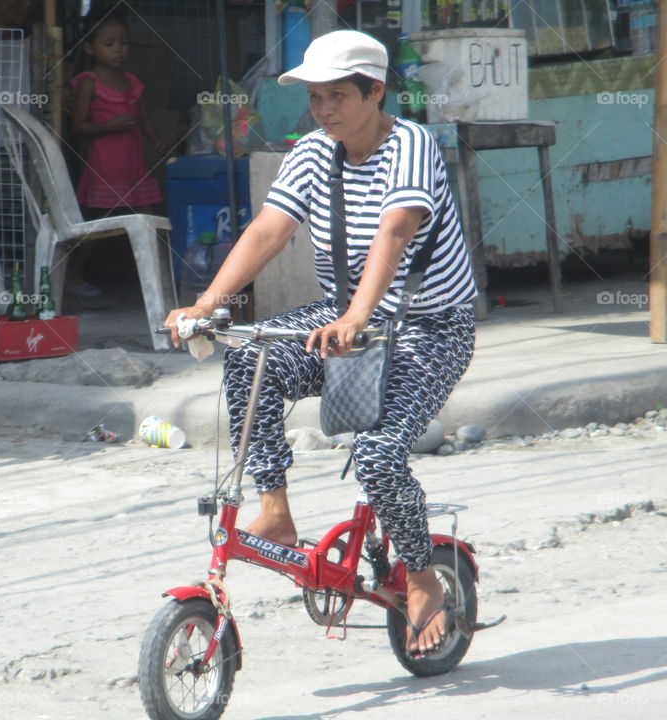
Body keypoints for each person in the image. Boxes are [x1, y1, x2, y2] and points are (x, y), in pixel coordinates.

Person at [165, 30, 477, 659]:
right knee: (249, 358)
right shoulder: (312, 152)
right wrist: (206, 306)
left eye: (338, 95)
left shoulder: (411, 145)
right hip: (343, 318)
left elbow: (394, 230)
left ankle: (421, 579)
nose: (325, 108)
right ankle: (275, 506)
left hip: (428, 327)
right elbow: (267, 232)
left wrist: (359, 316)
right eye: (316, 96)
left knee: (381, 457)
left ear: (375, 91)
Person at [67, 9, 164, 299]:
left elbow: (142, 116)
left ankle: (158, 279)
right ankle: (74, 274)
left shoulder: (133, 83)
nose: (118, 49)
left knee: (149, 219)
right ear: (90, 48)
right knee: (96, 226)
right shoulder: (89, 82)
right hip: (104, 169)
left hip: (134, 168)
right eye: (109, 44)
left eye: (123, 42)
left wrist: (156, 138)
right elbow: (78, 127)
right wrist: (108, 126)